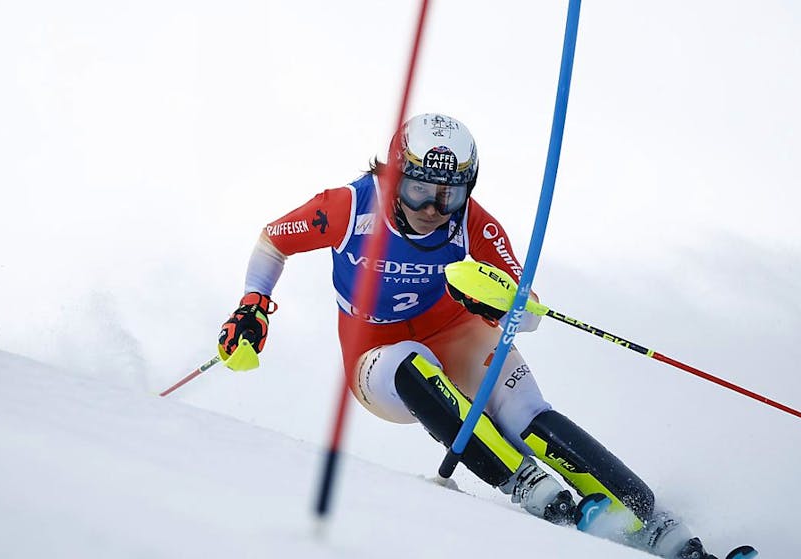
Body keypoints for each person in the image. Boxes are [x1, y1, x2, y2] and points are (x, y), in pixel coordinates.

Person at [218, 113, 719, 559]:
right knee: (411, 361)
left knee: (525, 414)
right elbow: (272, 241)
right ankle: (526, 482)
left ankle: (650, 520)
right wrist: (253, 304)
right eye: (418, 191)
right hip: (375, 354)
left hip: (454, 330)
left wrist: (501, 302)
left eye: (449, 194)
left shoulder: (473, 225)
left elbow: (530, 312)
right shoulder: (346, 208)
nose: (433, 208)